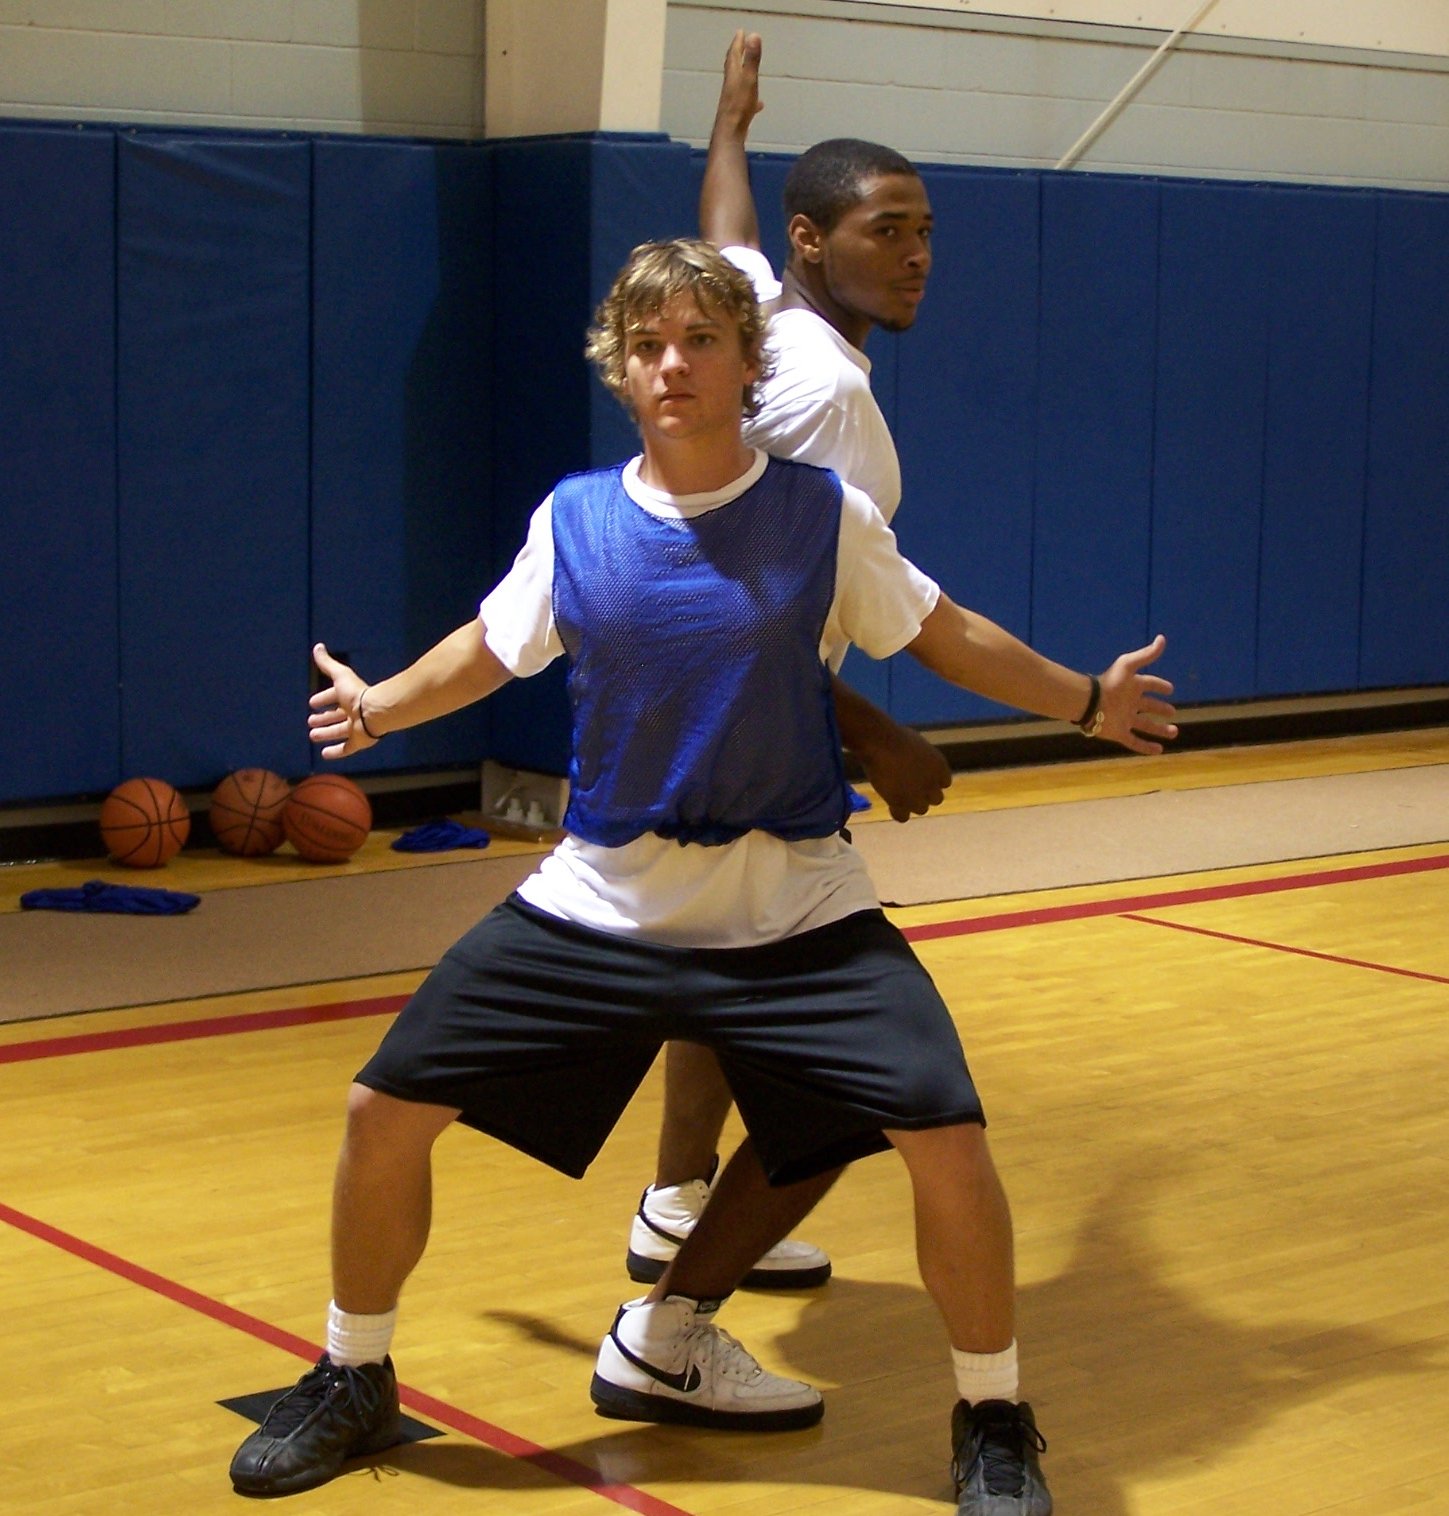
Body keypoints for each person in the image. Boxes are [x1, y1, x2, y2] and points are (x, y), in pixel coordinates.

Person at [227, 239, 1175, 1513]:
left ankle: (993, 1416)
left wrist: (1084, 701)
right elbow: (487, 648)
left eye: (701, 341)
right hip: (600, 906)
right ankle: (354, 1375)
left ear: (745, 364)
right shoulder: (574, 519)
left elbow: (942, 634)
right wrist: (384, 708)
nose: (673, 364)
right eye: (647, 344)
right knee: (379, 1112)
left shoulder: (821, 515)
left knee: (948, 1139)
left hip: (798, 911)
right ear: (621, 371)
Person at [623, 29, 956, 1298]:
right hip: (752, 706)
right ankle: (673, 1320)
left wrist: (730, 131)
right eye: (888, 229)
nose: (918, 253)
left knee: (721, 956)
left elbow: (726, 238)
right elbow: (733, 612)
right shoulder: (817, 389)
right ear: (819, 245)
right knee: (834, 1030)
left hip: (726, 710)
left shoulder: (760, 307)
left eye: (926, 229)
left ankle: (672, 1203)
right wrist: (876, 731)